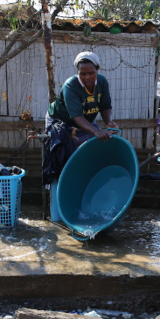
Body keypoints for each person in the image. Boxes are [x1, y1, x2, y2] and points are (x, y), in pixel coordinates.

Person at [42, 51, 118, 219]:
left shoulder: (102, 83)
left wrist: (109, 122)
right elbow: (77, 118)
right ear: (78, 73)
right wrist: (96, 131)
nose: (87, 77)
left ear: (97, 70)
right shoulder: (71, 86)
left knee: (101, 146)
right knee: (69, 155)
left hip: (84, 121)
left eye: (91, 72)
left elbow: (105, 107)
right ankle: (65, 207)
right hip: (61, 121)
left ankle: (93, 195)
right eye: (82, 73)